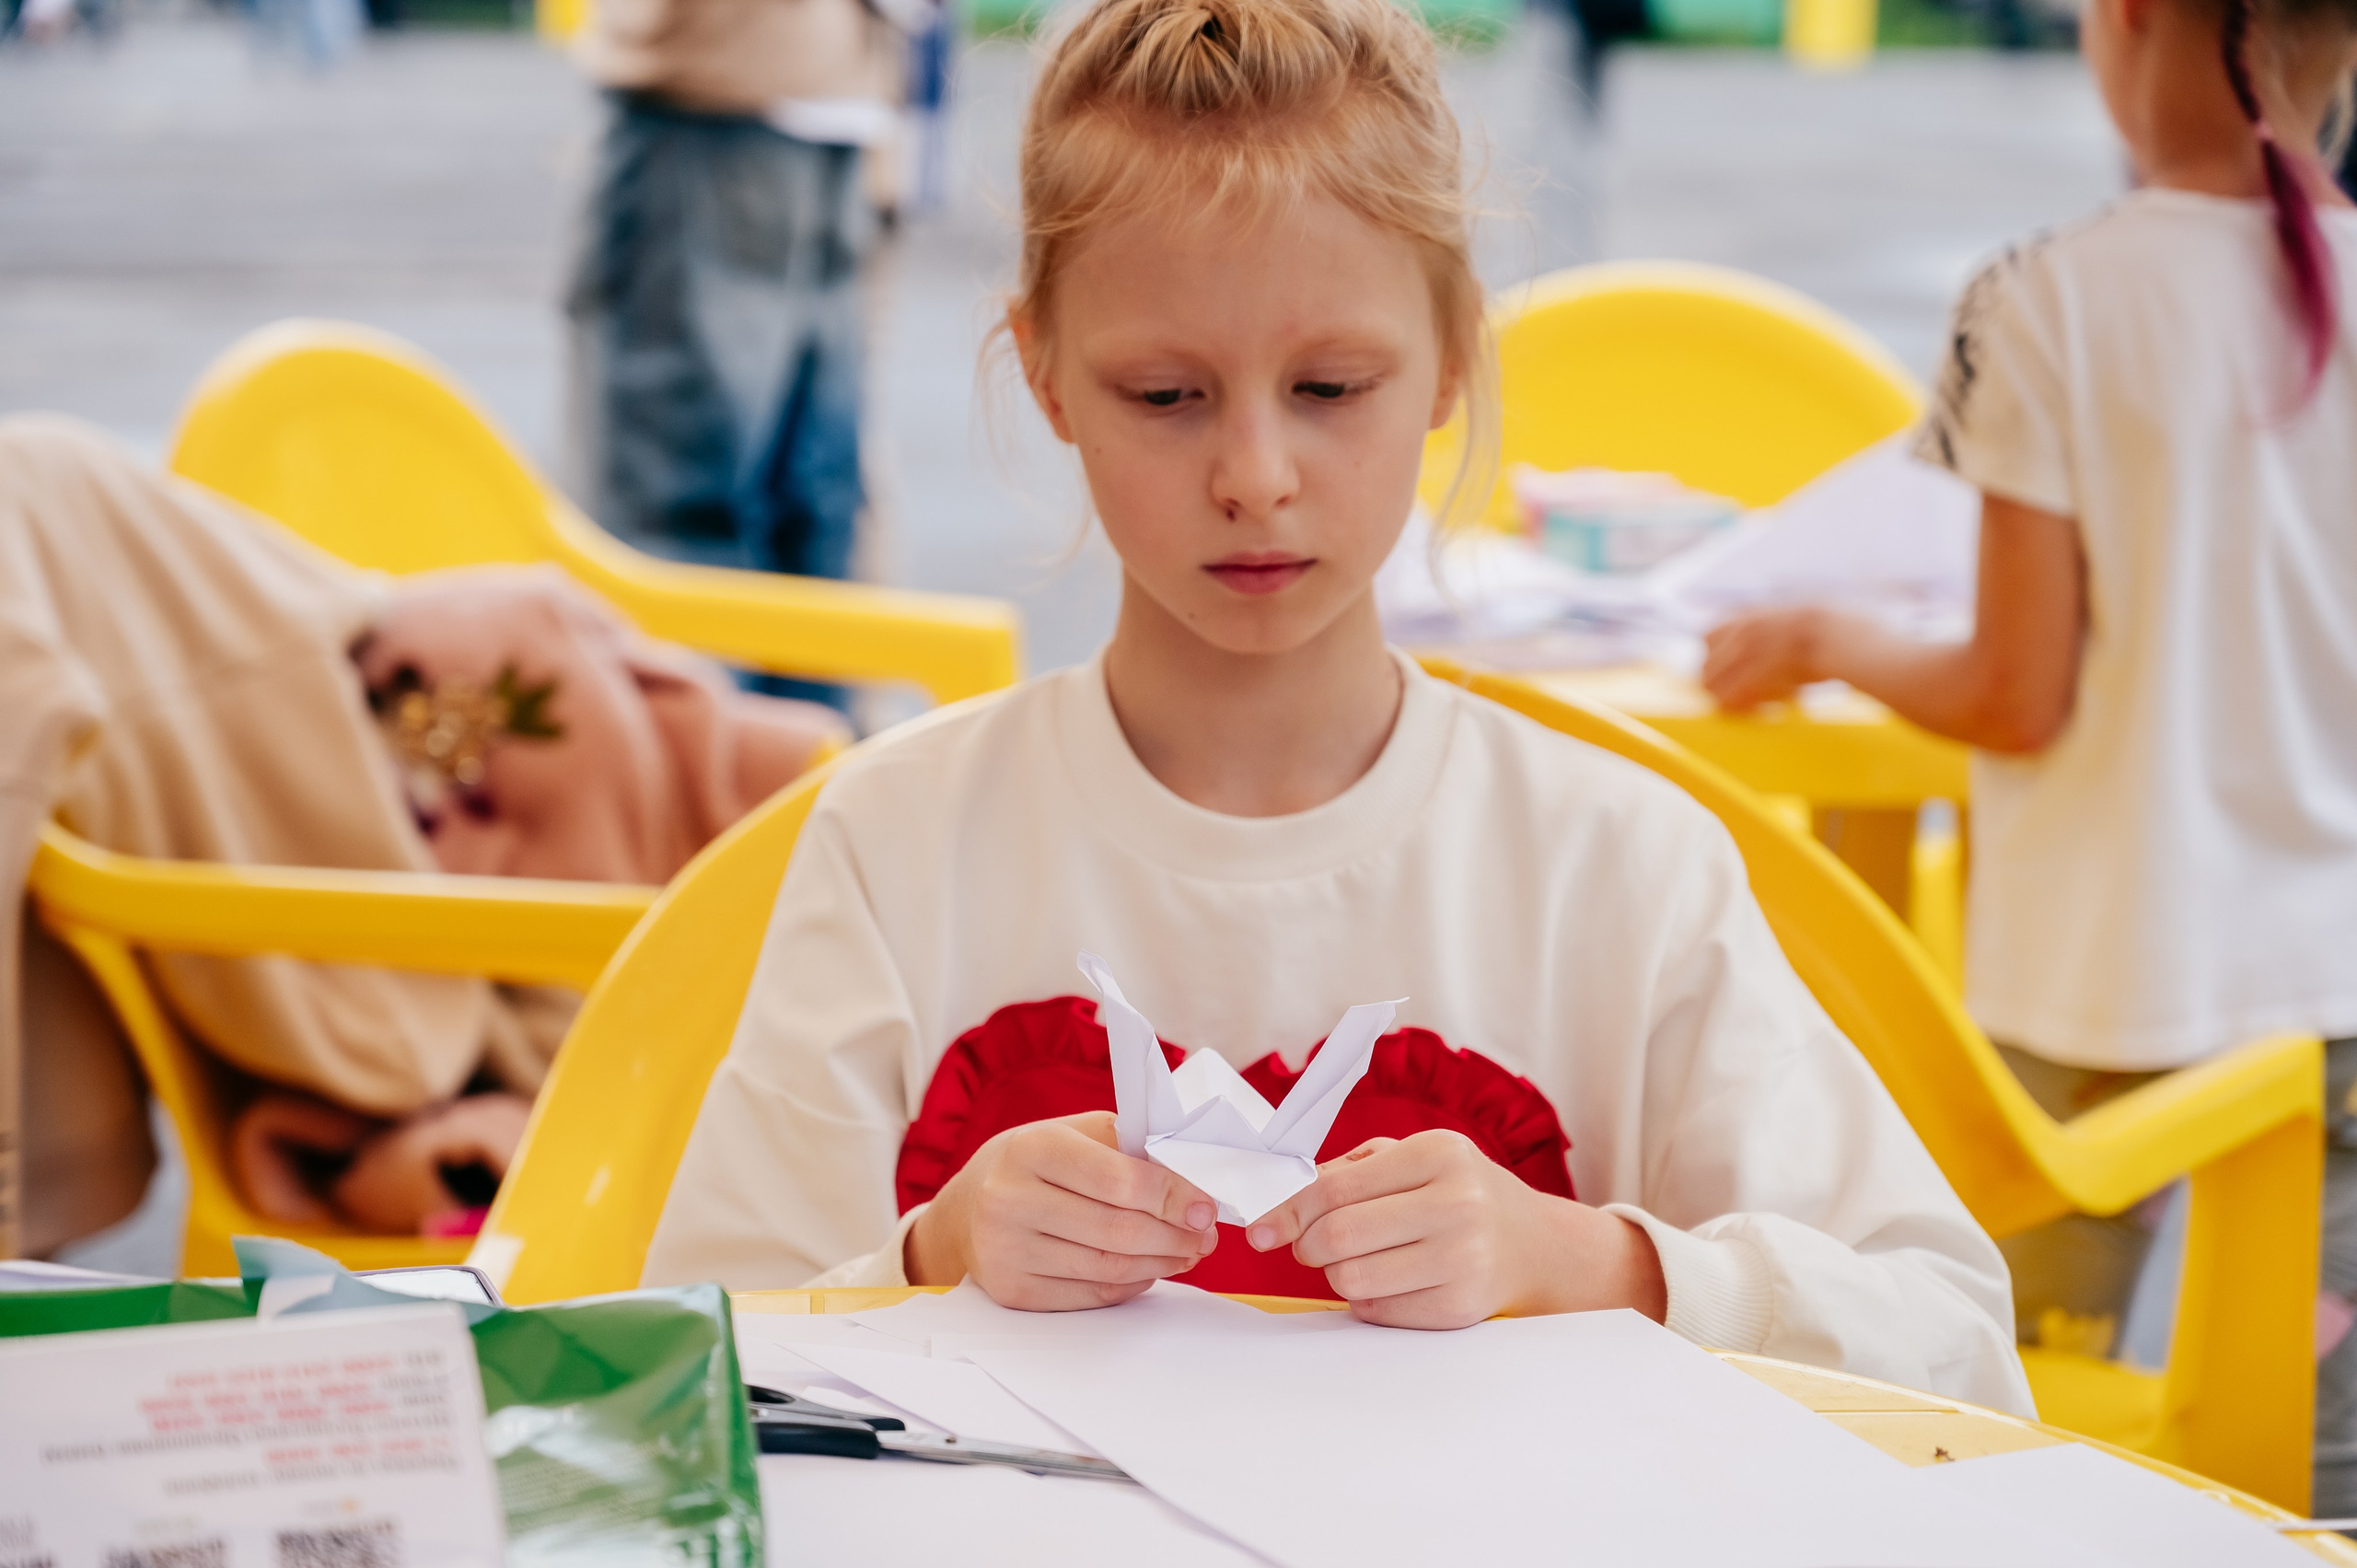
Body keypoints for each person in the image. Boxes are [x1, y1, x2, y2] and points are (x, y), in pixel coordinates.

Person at [641, 0, 2031, 1412]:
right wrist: (932, 1247)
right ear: (1046, 372)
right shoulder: (896, 841)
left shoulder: (1615, 863)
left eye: (1329, 386)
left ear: (1452, 357)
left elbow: (1957, 1344)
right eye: (1165, 393)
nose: (1255, 474)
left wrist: (1590, 1259)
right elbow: (681, 1367)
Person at [1700, 0, 2357, 1504]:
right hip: (2338, 994)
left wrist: (1829, 637)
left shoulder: (2042, 299)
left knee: (1997, 1427)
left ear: (2125, 21)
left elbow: (2014, 691)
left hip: (2094, 982)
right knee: (2324, 1470)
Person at [566, 0, 930, 688]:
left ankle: (700, 749)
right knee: (810, 511)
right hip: (837, 87)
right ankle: (806, 748)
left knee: (677, 516)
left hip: (723, 86)